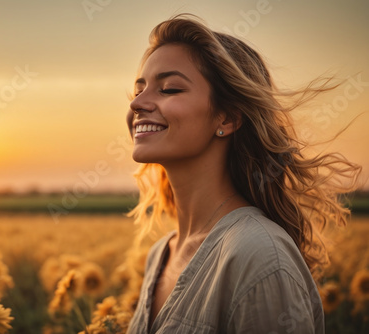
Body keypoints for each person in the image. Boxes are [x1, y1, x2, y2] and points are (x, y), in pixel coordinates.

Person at [125, 15, 361, 334]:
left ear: (228, 117)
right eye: (139, 89)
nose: (138, 103)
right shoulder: (160, 254)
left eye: (169, 89)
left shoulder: (259, 255)